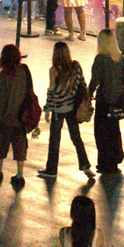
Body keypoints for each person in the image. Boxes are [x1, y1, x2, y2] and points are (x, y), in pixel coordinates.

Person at [88, 31, 124, 177]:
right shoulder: (119, 57)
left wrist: (88, 94)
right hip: (117, 101)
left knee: (101, 133)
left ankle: (105, 163)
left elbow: (95, 80)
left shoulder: (100, 59)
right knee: (114, 132)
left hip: (104, 102)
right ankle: (115, 159)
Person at [38, 41, 91, 181]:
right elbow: (83, 86)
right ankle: (85, 165)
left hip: (58, 110)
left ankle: (51, 170)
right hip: (72, 108)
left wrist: (47, 110)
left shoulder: (54, 71)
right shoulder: (76, 67)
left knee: (54, 140)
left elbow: (52, 92)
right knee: (76, 138)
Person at [0, 44, 34, 190]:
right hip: (21, 119)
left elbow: (1, 102)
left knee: (1, 146)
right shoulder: (24, 71)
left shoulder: (4, 75)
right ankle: (19, 175)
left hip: (7, 119)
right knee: (20, 148)